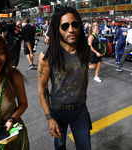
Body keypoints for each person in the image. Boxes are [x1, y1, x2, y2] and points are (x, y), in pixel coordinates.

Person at [38, 6, 91, 150]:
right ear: (58, 29)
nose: (71, 29)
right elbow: (42, 87)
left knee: (85, 146)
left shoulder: (85, 49)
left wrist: (84, 94)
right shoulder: (48, 54)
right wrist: (49, 118)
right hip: (58, 111)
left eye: (74, 24)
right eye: (65, 26)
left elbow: (84, 73)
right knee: (60, 147)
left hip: (80, 110)